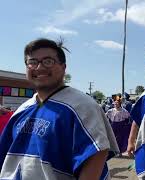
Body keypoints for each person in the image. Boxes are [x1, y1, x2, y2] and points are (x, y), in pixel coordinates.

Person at [0, 38, 119, 179]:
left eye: (48, 61)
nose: (39, 67)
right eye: (32, 62)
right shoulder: (22, 110)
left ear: (63, 67)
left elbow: (97, 153)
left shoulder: (82, 105)